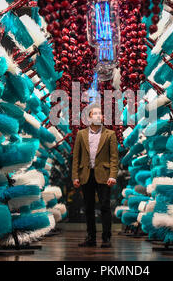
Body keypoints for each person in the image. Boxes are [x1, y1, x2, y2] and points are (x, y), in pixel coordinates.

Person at [71, 104, 119, 248]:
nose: (100, 116)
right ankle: (91, 237)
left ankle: (106, 238)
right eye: (96, 114)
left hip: (104, 175)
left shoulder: (109, 134)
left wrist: (113, 175)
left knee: (105, 206)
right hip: (86, 174)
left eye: (101, 114)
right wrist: (75, 176)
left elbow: (114, 158)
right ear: (89, 117)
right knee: (88, 207)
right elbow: (76, 157)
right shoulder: (81, 134)